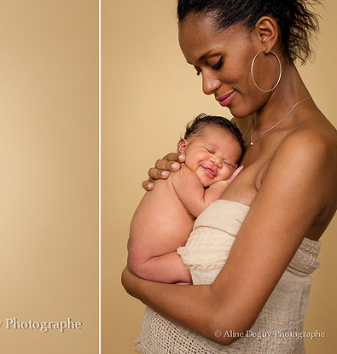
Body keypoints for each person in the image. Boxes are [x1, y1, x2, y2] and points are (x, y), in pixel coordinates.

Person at [121, 0, 337, 352]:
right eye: (198, 71)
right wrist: (175, 180)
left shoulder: (307, 149)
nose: (207, 85)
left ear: (265, 34)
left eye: (215, 62)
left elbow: (225, 320)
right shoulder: (238, 133)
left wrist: (134, 280)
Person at [127, 114, 244, 285]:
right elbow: (204, 208)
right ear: (183, 147)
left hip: (154, 257)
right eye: (209, 151)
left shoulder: (191, 179)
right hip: (150, 261)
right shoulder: (182, 174)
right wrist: (225, 183)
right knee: (206, 270)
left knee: (192, 279)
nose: (216, 162)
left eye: (227, 163)